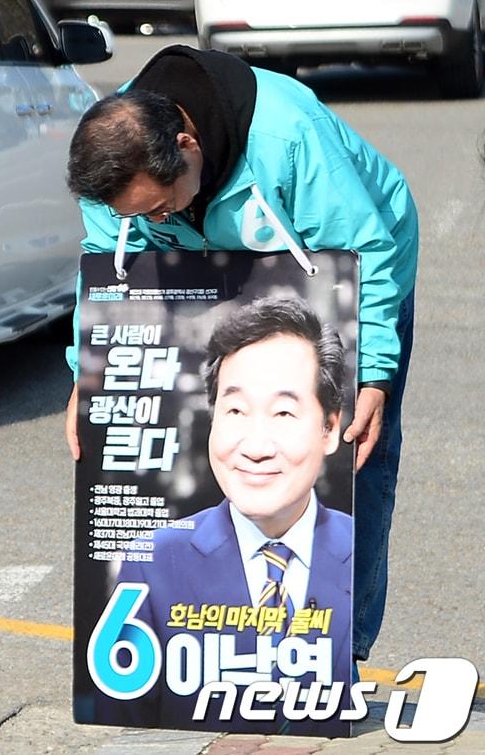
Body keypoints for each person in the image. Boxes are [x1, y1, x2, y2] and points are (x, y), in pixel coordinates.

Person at [62, 45, 417, 670]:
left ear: (188, 145)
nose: (152, 219)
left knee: (357, 453)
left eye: (159, 207)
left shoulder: (287, 134)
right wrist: (86, 376)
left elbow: (368, 247)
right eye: (137, 215)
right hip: (213, 270)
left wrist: (375, 375)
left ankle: (341, 655)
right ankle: (215, 645)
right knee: (202, 431)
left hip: (348, 263)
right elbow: (104, 271)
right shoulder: (112, 164)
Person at [104, 295, 353, 732]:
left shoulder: (358, 548)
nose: (255, 447)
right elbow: (125, 724)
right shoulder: (155, 561)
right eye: (235, 410)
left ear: (330, 429)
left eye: (283, 412)